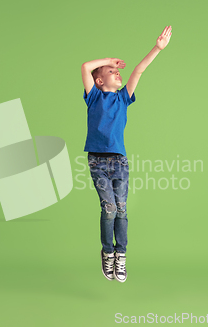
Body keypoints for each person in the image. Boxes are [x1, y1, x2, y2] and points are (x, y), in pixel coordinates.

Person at [81, 25, 172, 282]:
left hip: (119, 162)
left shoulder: (123, 98)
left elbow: (138, 70)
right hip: (98, 160)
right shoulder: (94, 97)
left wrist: (157, 48)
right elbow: (86, 66)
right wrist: (108, 60)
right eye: (112, 72)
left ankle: (121, 255)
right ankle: (107, 252)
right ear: (99, 81)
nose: (117, 73)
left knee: (121, 208)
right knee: (108, 208)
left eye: (117, 70)